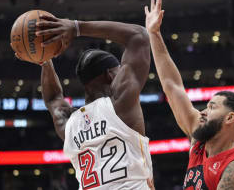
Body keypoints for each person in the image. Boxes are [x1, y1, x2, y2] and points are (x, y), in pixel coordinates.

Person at [144, 0, 234, 190]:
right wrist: (154, 34)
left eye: (212, 107)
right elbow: (172, 86)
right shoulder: (199, 142)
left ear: (230, 117)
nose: (203, 112)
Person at [36, 15, 153, 189]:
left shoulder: (69, 123)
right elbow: (139, 36)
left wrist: (44, 60)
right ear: (110, 75)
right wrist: (77, 27)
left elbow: (53, 98)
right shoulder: (120, 104)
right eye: (119, 69)